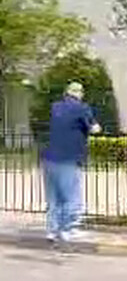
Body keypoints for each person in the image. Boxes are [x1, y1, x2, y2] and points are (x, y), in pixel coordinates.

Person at [42, 82, 101, 244]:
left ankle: (52, 231)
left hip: (49, 158)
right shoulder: (82, 108)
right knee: (71, 198)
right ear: (79, 93)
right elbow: (94, 128)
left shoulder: (55, 107)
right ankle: (68, 230)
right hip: (69, 157)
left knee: (54, 198)